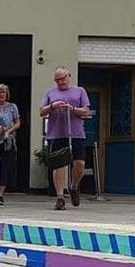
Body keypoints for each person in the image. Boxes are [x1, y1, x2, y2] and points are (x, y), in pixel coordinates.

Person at [39, 67, 90, 210]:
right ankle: (60, 197)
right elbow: (41, 111)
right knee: (59, 165)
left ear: (69, 76)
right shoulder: (50, 92)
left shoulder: (80, 91)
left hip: (76, 133)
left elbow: (86, 111)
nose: (61, 82)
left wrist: (72, 109)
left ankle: (74, 186)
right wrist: (52, 106)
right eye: (57, 80)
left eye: (63, 78)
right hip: (56, 133)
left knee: (79, 163)